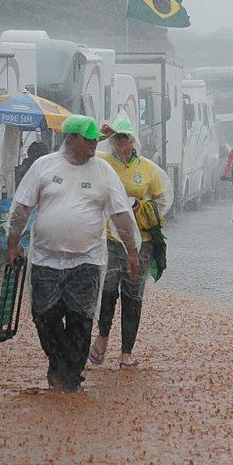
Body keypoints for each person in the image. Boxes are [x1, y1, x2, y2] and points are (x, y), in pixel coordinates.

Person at [6, 115, 140, 393]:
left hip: (87, 261)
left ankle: (70, 379)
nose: (94, 144)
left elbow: (121, 215)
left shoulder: (102, 171)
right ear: (72, 139)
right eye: (88, 139)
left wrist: (132, 251)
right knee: (44, 316)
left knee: (80, 318)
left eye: (95, 139)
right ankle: (60, 365)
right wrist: (12, 244)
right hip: (45, 260)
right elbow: (21, 208)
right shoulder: (43, 167)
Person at [90, 117, 170, 370]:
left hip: (142, 242)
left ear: (133, 140)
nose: (120, 143)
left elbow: (161, 201)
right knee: (109, 289)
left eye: (124, 137)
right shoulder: (103, 164)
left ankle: (126, 353)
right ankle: (102, 336)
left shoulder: (147, 169)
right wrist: (101, 136)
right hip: (113, 240)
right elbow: (82, 153)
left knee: (133, 296)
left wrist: (139, 207)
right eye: (117, 138)